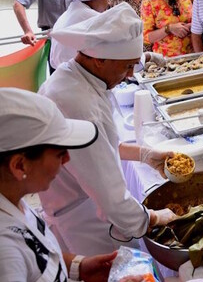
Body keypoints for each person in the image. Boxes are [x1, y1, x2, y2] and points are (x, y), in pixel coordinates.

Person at [38, 4, 177, 256]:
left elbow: (101, 145)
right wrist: (152, 218)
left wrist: (144, 154)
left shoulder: (75, 77)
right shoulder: (78, 103)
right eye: (126, 67)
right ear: (99, 59)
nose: (129, 75)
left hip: (82, 204)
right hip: (85, 219)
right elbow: (111, 199)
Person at [0, 88, 118, 282]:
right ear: (19, 165)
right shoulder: (5, 253)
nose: (66, 159)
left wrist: (78, 267)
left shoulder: (12, 197)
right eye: (59, 153)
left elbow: (36, 256)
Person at [50, 0, 112, 71]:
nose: (109, 2)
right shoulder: (91, 18)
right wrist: (147, 57)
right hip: (78, 80)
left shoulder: (70, 13)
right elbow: (119, 52)